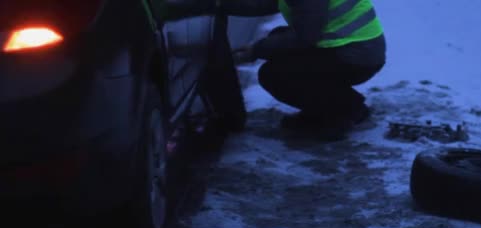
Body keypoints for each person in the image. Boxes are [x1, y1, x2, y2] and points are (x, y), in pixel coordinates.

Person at [154, 0, 386, 141]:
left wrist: (256, 50)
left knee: (275, 74)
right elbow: (263, 3)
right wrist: (216, 4)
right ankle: (329, 109)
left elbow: (304, 37)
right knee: (279, 47)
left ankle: (346, 111)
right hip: (348, 49)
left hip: (357, 55)